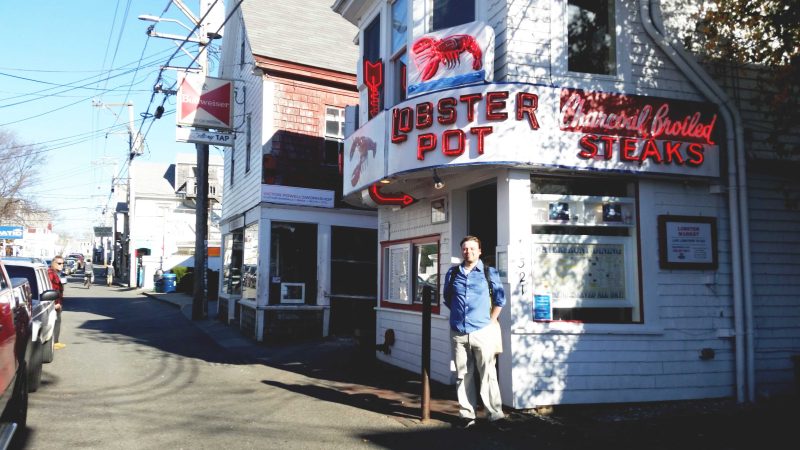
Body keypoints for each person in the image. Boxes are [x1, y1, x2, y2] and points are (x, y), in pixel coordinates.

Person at [443, 235, 508, 430]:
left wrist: (491, 321)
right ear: (461, 251)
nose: (468, 251)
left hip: (482, 330)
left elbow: (500, 300)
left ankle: (494, 415)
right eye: (465, 248)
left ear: (479, 251)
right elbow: (448, 298)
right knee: (463, 374)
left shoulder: (489, 273)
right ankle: (466, 414)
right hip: (459, 331)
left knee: (488, 373)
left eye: (472, 248)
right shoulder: (453, 273)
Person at [47, 256, 66, 350]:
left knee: (57, 321)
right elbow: (52, 289)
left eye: (62, 263)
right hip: (54, 303)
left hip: (57, 302)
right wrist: (55, 303)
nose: (61, 265)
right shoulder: (51, 273)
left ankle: (56, 342)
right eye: (59, 263)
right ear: (53, 263)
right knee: (55, 322)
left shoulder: (55, 273)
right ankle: (54, 342)